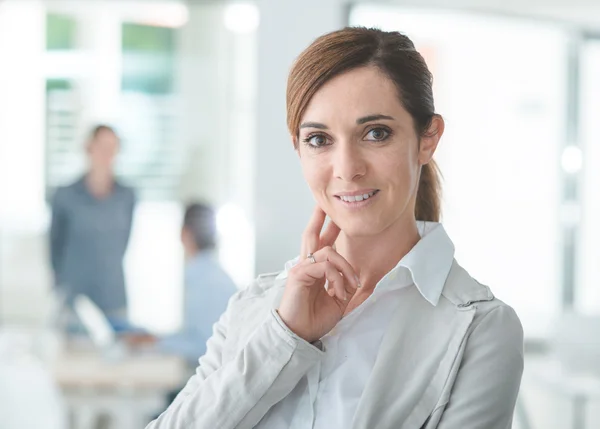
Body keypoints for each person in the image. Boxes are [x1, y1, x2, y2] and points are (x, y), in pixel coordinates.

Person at [147, 27, 524, 429]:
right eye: (319, 139)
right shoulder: (254, 307)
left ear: (427, 139)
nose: (347, 168)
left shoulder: (480, 329)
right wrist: (285, 336)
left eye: (376, 133)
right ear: (298, 148)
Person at [126, 203, 237, 366]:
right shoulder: (213, 275)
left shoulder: (206, 282)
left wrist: (156, 343)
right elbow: (196, 335)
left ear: (184, 233)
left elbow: (203, 346)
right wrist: (156, 339)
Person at [49, 124, 136, 327]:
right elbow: (55, 248)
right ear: (89, 148)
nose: (107, 154)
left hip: (113, 297)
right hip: (75, 300)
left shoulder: (126, 196)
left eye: (112, 148)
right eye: (102, 147)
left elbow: (124, 242)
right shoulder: (65, 196)